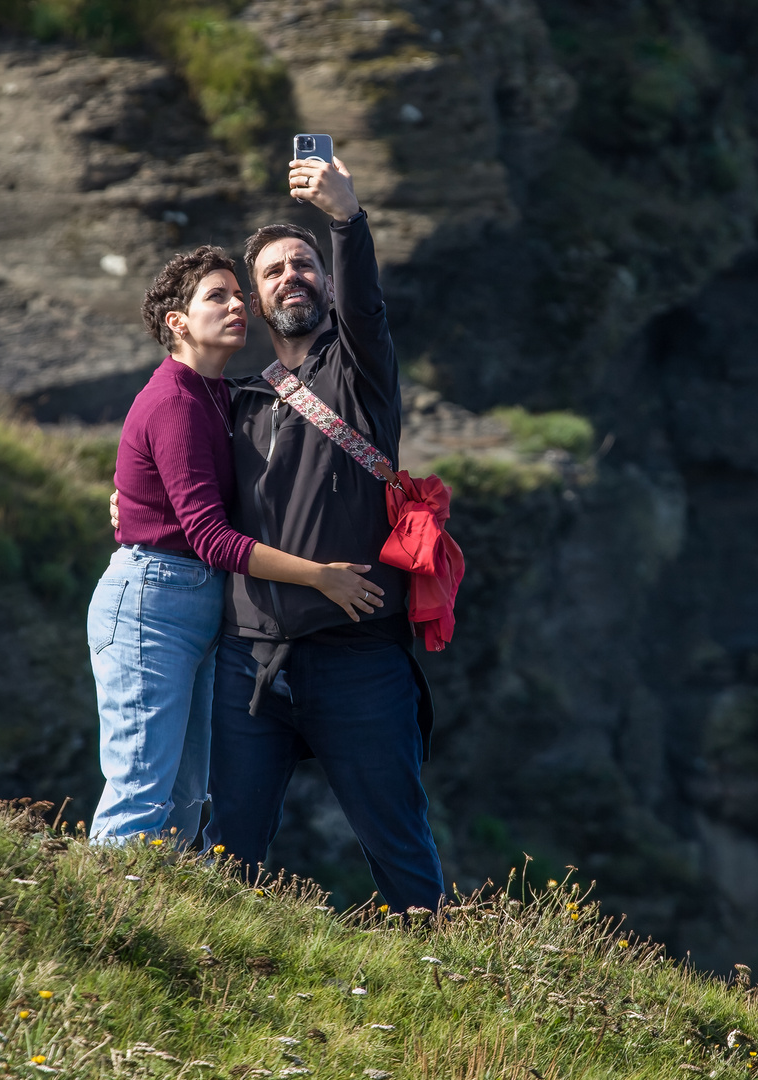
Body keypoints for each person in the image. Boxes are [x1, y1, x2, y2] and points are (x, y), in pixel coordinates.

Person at [203, 155, 444, 912]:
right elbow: (185, 499)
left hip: (357, 659)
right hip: (248, 663)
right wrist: (126, 506)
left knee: (400, 852)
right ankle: (216, 986)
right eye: (272, 272)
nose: (290, 277)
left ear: (328, 285)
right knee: (226, 857)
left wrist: (346, 219)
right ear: (254, 300)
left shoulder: (360, 378)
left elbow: (367, 309)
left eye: (304, 265)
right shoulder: (235, 402)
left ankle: (447, 993)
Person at [87, 245, 384, 847]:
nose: (236, 308)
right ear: (178, 321)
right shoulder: (175, 400)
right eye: (215, 297)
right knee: (142, 788)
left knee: (185, 796)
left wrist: (128, 497)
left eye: (237, 297)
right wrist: (319, 576)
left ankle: (154, 929)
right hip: (154, 597)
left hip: (197, 602)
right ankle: (94, 932)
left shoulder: (223, 395)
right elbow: (211, 536)